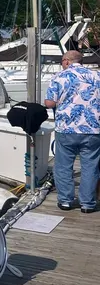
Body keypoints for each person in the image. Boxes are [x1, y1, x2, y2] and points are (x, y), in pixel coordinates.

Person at [44, 50, 100, 213]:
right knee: (90, 166)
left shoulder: (60, 77)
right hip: (93, 128)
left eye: (62, 61)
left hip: (67, 128)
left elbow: (49, 103)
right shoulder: (97, 76)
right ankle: (88, 204)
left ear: (67, 61)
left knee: (63, 166)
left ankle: (66, 201)